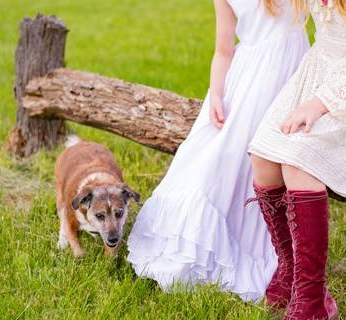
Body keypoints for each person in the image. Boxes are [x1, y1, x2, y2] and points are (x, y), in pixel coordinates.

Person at [127, 0, 309, 302]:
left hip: (290, 74)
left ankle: (283, 245)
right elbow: (223, 49)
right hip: (248, 78)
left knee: (263, 155)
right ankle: (209, 238)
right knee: (219, 158)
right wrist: (216, 93)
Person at [247, 0, 346, 318]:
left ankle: (311, 298)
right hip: (317, 70)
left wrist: (318, 105)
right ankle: (290, 269)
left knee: (298, 163)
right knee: (262, 157)